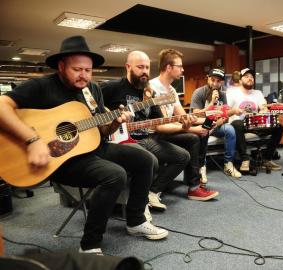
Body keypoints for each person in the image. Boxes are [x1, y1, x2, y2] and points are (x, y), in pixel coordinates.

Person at [0, 36, 168, 255]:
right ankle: (89, 245)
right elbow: (3, 105)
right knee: (115, 174)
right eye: (77, 69)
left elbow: (101, 131)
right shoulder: (41, 86)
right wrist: (32, 140)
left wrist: (115, 122)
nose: (84, 76)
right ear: (61, 66)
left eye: (88, 70)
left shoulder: (92, 90)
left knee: (145, 159)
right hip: (60, 160)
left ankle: (135, 221)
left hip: (91, 149)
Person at [101, 51, 190, 211]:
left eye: (147, 68)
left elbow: (158, 122)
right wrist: (108, 118)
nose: (145, 72)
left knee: (182, 156)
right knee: (150, 161)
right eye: (140, 67)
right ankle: (139, 209)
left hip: (146, 138)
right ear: (128, 67)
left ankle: (152, 192)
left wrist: (181, 124)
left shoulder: (150, 94)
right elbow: (90, 104)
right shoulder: (112, 87)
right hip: (119, 140)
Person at [149, 49, 219, 201]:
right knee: (193, 137)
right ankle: (192, 186)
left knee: (194, 137)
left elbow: (183, 117)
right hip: (153, 133)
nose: (183, 69)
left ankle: (193, 184)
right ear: (169, 67)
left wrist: (209, 119)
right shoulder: (152, 88)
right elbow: (161, 124)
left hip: (167, 130)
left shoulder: (172, 90)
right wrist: (195, 129)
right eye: (179, 66)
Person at [227, 68, 283, 173]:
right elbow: (226, 110)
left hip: (255, 124)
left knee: (279, 127)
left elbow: (263, 106)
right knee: (237, 123)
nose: (250, 78)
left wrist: (264, 110)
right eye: (246, 76)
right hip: (240, 124)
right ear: (240, 80)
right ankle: (245, 159)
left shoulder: (257, 93)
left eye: (252, 77)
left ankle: (267, 158)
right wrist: (234, 111)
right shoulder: (232, 93)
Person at [190, 68, 241, 178]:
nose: (215, 83)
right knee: (203, 132)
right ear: (207, 78)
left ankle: (228, 164)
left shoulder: (222, 94)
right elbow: (196, 115)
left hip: (216, 126)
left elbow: (225, 116)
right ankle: (201, 166)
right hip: (200, 125)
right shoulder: (199, 92)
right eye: (212, 80)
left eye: (218, 81)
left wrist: (217, 123)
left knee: (230, 129)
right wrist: (212, 103)